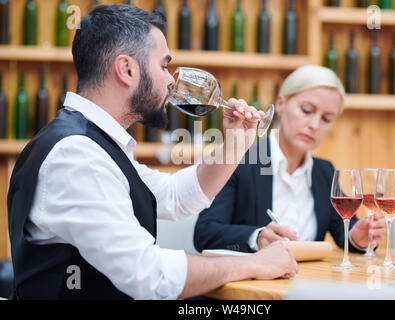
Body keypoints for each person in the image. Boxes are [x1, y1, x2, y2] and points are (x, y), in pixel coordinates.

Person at [6, 5, 298, 300]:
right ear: (127, 69)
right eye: (163, 66)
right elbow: (150, 277)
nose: (171, 80)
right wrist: (252, 264)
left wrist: (236, 142)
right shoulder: (76, 155)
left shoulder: (94, 145)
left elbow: (176, 196)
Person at [194, 65, 386, 254]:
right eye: (306, 110)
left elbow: (345, 231)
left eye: (326, 119)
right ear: (280, 104)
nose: (314, 125)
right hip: (256, 281)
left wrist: (358, 237)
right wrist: (257, 237)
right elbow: (204, 233)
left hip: (309, 281)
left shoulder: (324, 172)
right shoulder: (242, 161)